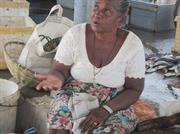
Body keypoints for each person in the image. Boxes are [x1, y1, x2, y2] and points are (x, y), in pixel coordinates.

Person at [35, 0, 145, 133]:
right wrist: (56, 78)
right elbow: (59, 70)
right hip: (73, 94)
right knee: (59, 120)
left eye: (106, 11)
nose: (97, 14)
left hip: (113, 103)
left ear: (120, 20)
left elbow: (134, 89)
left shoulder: (132, 45)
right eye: (96, 7)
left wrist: (106, 110)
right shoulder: (74, 35)